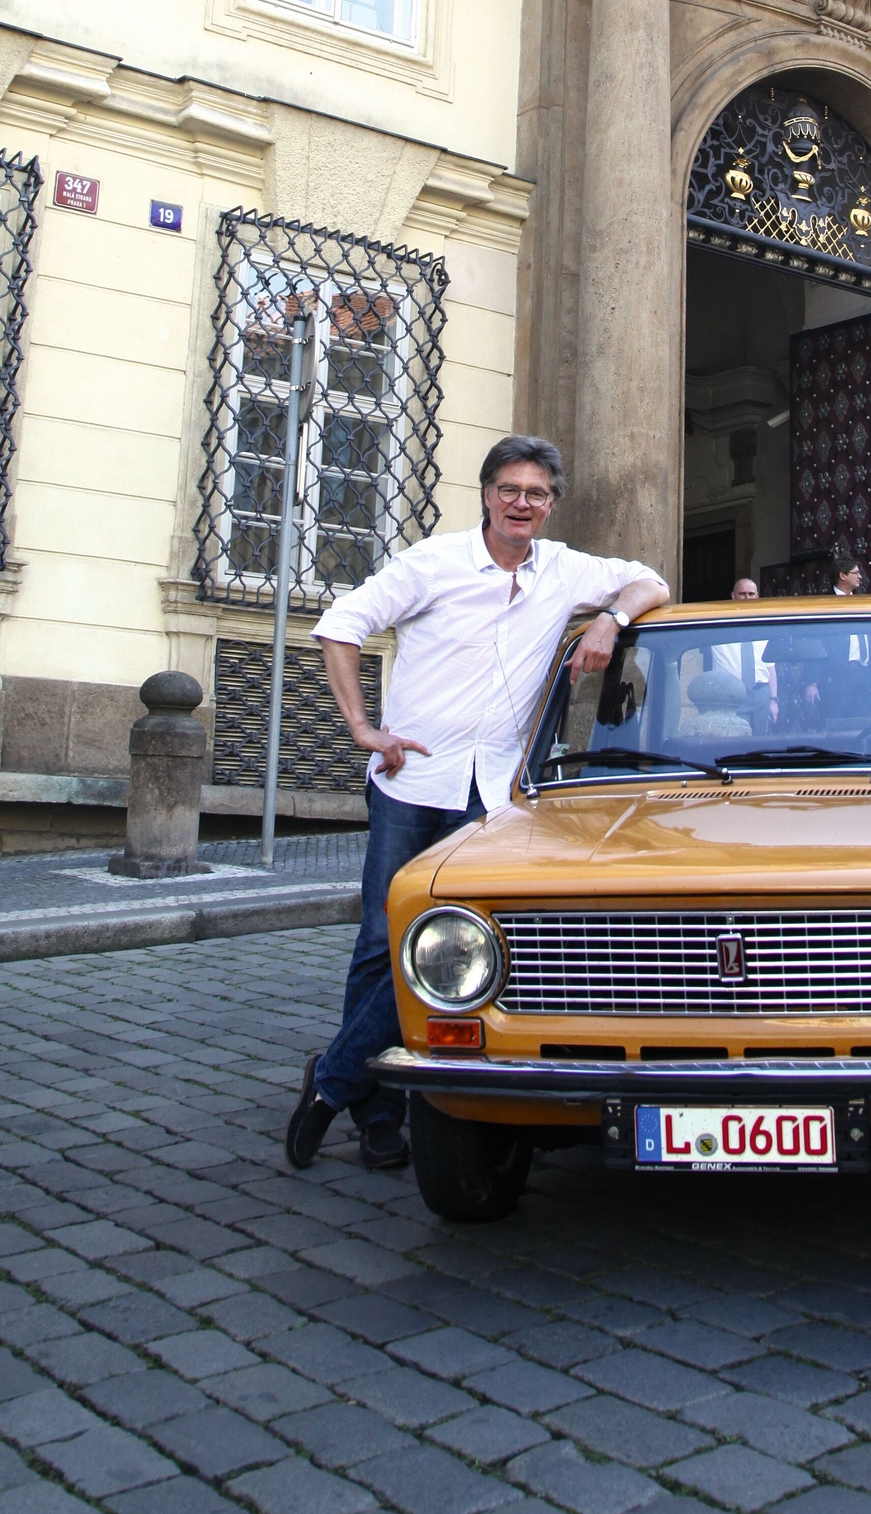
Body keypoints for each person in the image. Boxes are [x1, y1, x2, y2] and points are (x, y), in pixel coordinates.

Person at [286, 436, 668, 1171]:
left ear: (550, 504)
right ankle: (377, 1110)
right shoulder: (432, 563)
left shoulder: (564, 572)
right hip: (413, 784)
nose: (522, 504)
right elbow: (340, 627)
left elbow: (649, 579)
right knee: (380, 944)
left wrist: (608, 620)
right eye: (509, 490)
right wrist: (365, 729)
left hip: (492, 793)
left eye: (537, 494)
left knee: (454, 947)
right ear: (487, 494)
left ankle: (332, 1083)